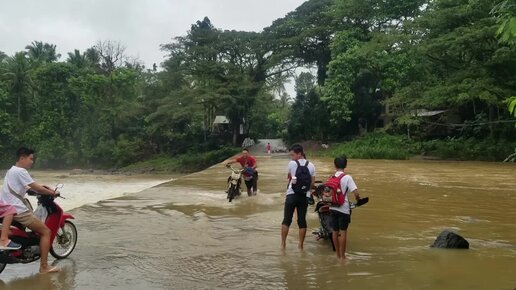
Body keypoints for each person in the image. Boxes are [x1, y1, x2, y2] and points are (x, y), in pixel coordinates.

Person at [0, 147, 60, 273]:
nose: (32, 161)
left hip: (6, 208)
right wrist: (52, 193)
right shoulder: (21, 171)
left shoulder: (11, 171)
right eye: (30, 158)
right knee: (46, 232)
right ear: (22, 158)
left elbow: (24, 187)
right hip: (17, 210)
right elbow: (36, 187)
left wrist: (31, 191)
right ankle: (44, 266)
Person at [281, 144, 315, 250]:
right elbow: (312, 183)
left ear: (299, 154)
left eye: (293, 155)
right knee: (302, 221)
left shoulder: (291, 163)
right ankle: (300, 245)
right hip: (303, 196)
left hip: (291, 194)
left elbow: (289, 177)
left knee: (286, 220)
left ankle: (283, 244)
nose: (292, 157)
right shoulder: (311, 165)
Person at [329, 156, 361, 260]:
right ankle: (343, 257)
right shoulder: (347, 177)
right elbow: (355, 192)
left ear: (335, 165)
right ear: (346, 165)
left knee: (334, 231)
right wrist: (358, 199)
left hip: (333, 207)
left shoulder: (331, 177)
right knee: (343, 233)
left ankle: (337, 254)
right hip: (343, 209)